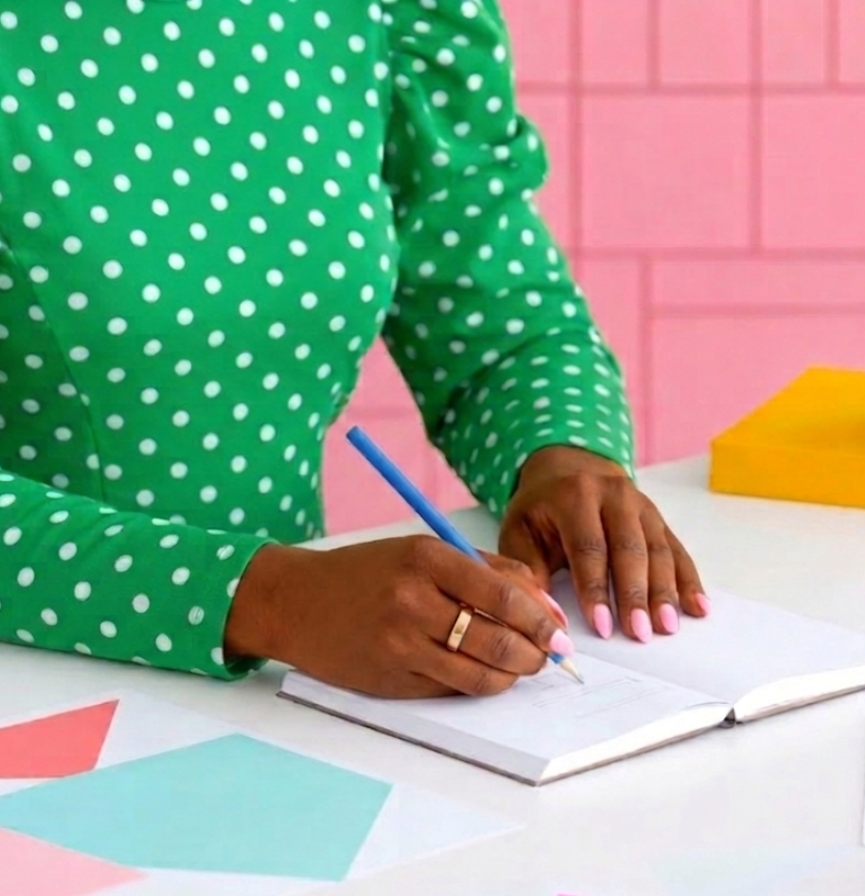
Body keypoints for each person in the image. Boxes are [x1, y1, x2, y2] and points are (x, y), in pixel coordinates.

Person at [0, 0, 709, 699]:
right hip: (43, 697)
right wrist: (270, 599)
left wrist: (562, 455)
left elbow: (497, 313)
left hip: (284, 700)